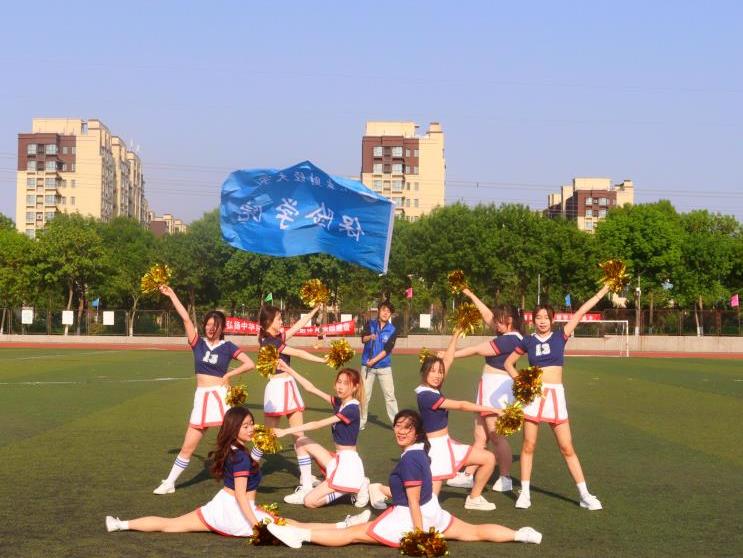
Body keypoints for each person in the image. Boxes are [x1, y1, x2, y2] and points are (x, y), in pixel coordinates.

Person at [265, 410, 542, 549]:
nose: (400, 432)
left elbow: (412, 501)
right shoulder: (421, 451)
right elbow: (417, 495)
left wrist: (420, 536)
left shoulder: (409, 460)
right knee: (474, 531)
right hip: (434, 513)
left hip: (410, 519)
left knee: (352, 535)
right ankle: (521, 534)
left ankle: (301, 534)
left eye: (406, 429)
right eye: (397, 426)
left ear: (417, 433)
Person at [106, 407, 370, 536]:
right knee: (295, 527)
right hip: (238, 513)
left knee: (170, 524)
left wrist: (259, 448)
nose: (252, 428)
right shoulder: (240, 457)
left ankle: (120, 524)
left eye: (251, 423)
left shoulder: (234, 450)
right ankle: (344, 525)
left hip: (218, 507)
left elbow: (247, 466)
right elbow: (243, 496)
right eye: (246, 426)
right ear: (234, 429)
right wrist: (256, 526)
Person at [504, 284, 611, 511]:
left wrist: (602, 292)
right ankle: (525, 493)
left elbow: (581, 312)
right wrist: (522, 382)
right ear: (533, 320)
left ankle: (584, 494)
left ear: (552, 319)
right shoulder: (528, 341)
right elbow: (508, 363)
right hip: (534, 397)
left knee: (567, 447)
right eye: (538, 317)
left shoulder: (560, 336)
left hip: (556, 397)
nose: (542, 321)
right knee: (529, 445)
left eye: (546, 317)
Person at [152, 285, 255, 495]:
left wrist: (228, 375)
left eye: (215, 325)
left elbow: (250, 363)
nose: (210, 328)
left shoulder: (228, 347)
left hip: (220, 396)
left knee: (234, 438)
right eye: (208, 324)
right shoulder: (197, 343)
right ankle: (170, 482)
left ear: (222, 327)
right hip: (201, 397)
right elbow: (186, 319)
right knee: (189, 444)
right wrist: (172, 295)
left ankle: (248, 474)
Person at [447, 293, 523, 493]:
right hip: (488, 386)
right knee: (480, 436)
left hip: (498, 388)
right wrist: (470, 294)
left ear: (509, 320)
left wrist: (449, 355)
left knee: (497, 436)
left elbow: (478, 350)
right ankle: (468, 475)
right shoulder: (506, 334)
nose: (494, 323)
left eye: (499, 321)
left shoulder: (511, 340)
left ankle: (505, 478)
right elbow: (487, 314)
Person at [416, 342, 503, 511]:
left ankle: (474, 498)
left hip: (448, 444)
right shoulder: (426, 396)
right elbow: (462, 405)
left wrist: (457, 333)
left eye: (440, 372)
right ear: (424, 372)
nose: (438, 375)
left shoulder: (432, 388)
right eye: (433, 371)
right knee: (428, 503)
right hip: (436, 450)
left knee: (488, 458)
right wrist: (493, 409)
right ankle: (380, 490)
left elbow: (448, 360)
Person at [272, 361, 370, 509]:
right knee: (301, 441)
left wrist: (285, 431)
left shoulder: (351, 409)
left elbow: (316, 424)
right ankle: (306, 488)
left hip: (348, 465)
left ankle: (354, 486)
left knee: (309, 502)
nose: (340, 386)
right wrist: (288, 369)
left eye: (346, 383)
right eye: (339, 382)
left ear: (355, 387)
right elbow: (310, 388)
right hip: (337, 460)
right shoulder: (340, 402)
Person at [258, 304, 326, 501]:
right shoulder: (270, 342)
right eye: (278, 319)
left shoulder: (276, 337)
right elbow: (299, 353)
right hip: (276, 389)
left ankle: (306, 480)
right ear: (268, 322)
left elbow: (297, 327)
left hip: (289, 386)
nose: (282, 321)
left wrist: (313, 312)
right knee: (267, 437)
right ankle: (246, 470)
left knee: (299, 435)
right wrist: (323, 361)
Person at [359, 300, 398, 430]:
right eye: (383, 310)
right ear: (379, 311)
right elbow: (363, 339)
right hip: (367, 367)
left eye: (388, 311)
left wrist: (374, 361)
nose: (386, 313)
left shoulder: (392, 330)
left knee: (390, 397)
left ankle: (397, 423)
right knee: (364, 396)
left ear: (390, 314)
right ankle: (361, 422)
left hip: (384, 367)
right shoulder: (370, 324)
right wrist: (370, 337)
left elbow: (387, 350)